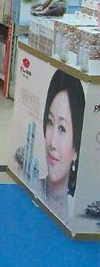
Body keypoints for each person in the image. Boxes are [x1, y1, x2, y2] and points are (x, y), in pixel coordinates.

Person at [42, 70, 85, 219]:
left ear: (75, 150)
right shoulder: (31, 188)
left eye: (62, 129)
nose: (52, 143)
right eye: (50, 122)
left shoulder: (78, 216)